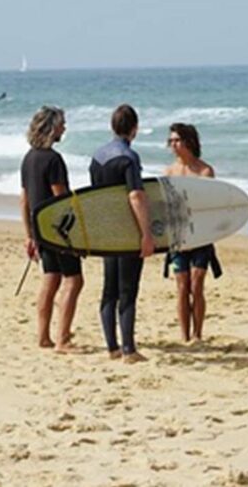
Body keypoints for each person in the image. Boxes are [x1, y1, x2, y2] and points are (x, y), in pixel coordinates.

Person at [90, 104, 155, 364]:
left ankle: (112, 347)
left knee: (109, 290)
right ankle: (129, 349)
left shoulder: (97, 157)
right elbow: (136, 196)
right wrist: (146, 233)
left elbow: (94, 197)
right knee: (128, 290)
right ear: (134, 128)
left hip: (107, 230)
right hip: (127, 231)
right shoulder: (129, 157)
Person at [19, 106, 83, 353]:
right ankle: (62, 340)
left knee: (50, 279)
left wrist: (29, 235)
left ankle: (43, 336)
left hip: (40, 231)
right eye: (61, 124)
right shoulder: (53, 159)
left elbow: (24, 199)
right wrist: (77, 231)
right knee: (74, 280)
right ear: (51, 127)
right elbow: (61, 200)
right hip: (59, 232)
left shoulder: (29, 158)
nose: (64, 128)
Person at [163, 123, 218, 344]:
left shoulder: (205, 171)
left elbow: (211, 205)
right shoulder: (169, 172)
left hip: (201, 237)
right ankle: (185, 336)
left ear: (189, 142)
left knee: (197, 285)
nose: (173, 145)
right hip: (178, 238)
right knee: (182, 286)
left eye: (177, 140)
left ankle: (198, 334)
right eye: (171, 141)